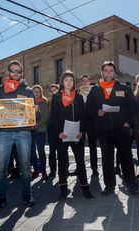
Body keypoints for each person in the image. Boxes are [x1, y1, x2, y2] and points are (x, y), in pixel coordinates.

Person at [0, 60, 38, 210]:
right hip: (3, 134)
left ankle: (27, 194)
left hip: (23, 133)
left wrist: (35, 111)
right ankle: (0, 197)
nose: (16, 73)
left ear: (22, 74)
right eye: (13, 71)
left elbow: (34, 113)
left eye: (18, 71)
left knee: (26, 166)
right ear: (8, 73)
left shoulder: (28, 91)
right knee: (1, 167)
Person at [86, 61, 139, 197]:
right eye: (106, 70)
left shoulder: (124, 89)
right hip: (104, 131)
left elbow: (132, 107)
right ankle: (109, 186)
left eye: (111, 70)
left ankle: (131, 185)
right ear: (102, 73)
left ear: (115, 73)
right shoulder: (95, 90)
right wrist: (96, 112)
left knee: (126, 158)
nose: (108, 72)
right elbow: (89, 109)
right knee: (107, 159)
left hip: (121, 130)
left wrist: (129, 122)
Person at [51, 70, 95, 200]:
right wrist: (59, 132)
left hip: (76, 135)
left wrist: (82, 131)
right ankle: (63, 189)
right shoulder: (56, 97)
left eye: (71, 80)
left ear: (73, 82)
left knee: (80, 162)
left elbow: (83, 116)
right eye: (66, 80)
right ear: (62, 82)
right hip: (62, 135)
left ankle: (85, 189)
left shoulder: (79, 97)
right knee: (62, 162)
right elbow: (54, 116)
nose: (69, 82)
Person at [80, 74, 99, 176]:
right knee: (80, 147)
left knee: (93, 146)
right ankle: (80, 168)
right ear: (80, 82)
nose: (85, 83)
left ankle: (94, 168)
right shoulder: (78, 92)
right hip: (81, 123)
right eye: (83, 81)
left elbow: (97, 106)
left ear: (89, 81)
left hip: (91, 122)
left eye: (87, 81)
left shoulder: (94, 92)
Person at [30, 85, 50, 180]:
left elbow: (46, 116)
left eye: (38, 91)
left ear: (41, 92)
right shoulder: (29, 103)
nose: (36, 93)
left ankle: (44, 171)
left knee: (41, 151)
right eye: (34, 91)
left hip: (40, 130)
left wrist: (37, 125)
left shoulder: (44, 103)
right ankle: (36, 170)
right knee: (32, 151)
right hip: (30, 130)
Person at [47, 84, 59, 177]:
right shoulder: (49, 102)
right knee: (52, 150)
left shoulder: (62, 101)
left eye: (55, 90)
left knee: (62, 150)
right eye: (51, 91)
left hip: (60, 127)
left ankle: (65, 169)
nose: (53, 92)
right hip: (51, 128)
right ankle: (53, 170)